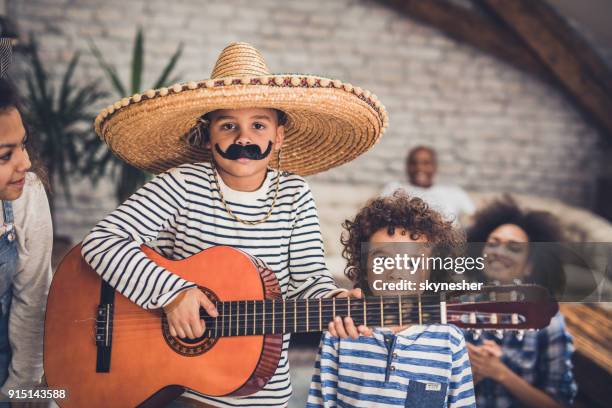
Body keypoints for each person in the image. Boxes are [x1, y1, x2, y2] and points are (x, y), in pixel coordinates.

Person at [81, 42, 388, 407]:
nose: (244, 138)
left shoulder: (294, 194)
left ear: (279, 136)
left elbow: (308, 280)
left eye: (259, 125)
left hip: (264, 391)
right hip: (183, 389)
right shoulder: (182, 184)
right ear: (209, 133)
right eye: (229, 125)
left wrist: (335, 302)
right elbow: (102, 241)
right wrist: (171, 294)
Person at [307, 193, 476, 407]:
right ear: (365, 268)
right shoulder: (340, 331)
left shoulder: (449, 340)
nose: (396, 272)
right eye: (381, 258)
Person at [464, 196, 577, 408]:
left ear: (529, 266)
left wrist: (500, 373)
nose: (499, 252)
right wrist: (469, 373)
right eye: (493, 244)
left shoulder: (549, 322)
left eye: (513, 248)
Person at [0, 77, 53, 406]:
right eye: (5, 156)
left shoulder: (26, 195)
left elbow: (33, 302)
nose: (26, 162)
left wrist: (21, 390)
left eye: (23, 144)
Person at [382, 146, 475, 224]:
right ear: (407, 167)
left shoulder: (454, 193)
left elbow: (472, 219)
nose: (419, 168)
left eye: (426, 163)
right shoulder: (394, 188)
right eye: (413, 163)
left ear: (435, 167)